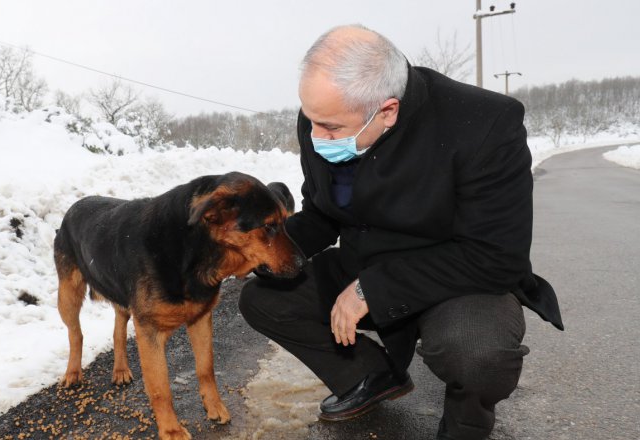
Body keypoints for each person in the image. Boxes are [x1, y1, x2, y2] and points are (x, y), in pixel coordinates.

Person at [238, 24, 563, 440]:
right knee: (264, 298)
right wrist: (263, 250)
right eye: (311, 121)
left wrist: (371, 290)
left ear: (387, 110)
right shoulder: (325, 116)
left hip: (457, 277)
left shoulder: (485, 125)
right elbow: (322, 212)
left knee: (478, 352)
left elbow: (497, 255)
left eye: (332, 129)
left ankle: (467, 420)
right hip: (366, 258)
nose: (317, 137)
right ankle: (372, 375)